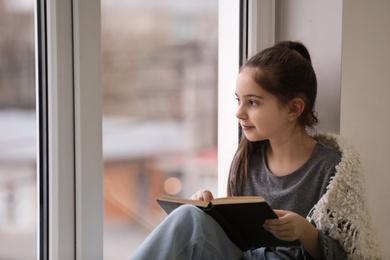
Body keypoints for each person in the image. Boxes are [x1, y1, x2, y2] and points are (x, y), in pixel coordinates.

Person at [130, 41, 382, 260]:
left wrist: (306, 232)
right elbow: (236, 237)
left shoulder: (332, 170)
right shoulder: (247, 160)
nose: (239, 113)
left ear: (293, 109)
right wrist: (211, 210)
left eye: (253, 102)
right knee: (190, 215)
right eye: (238, 100)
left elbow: (350, 254)